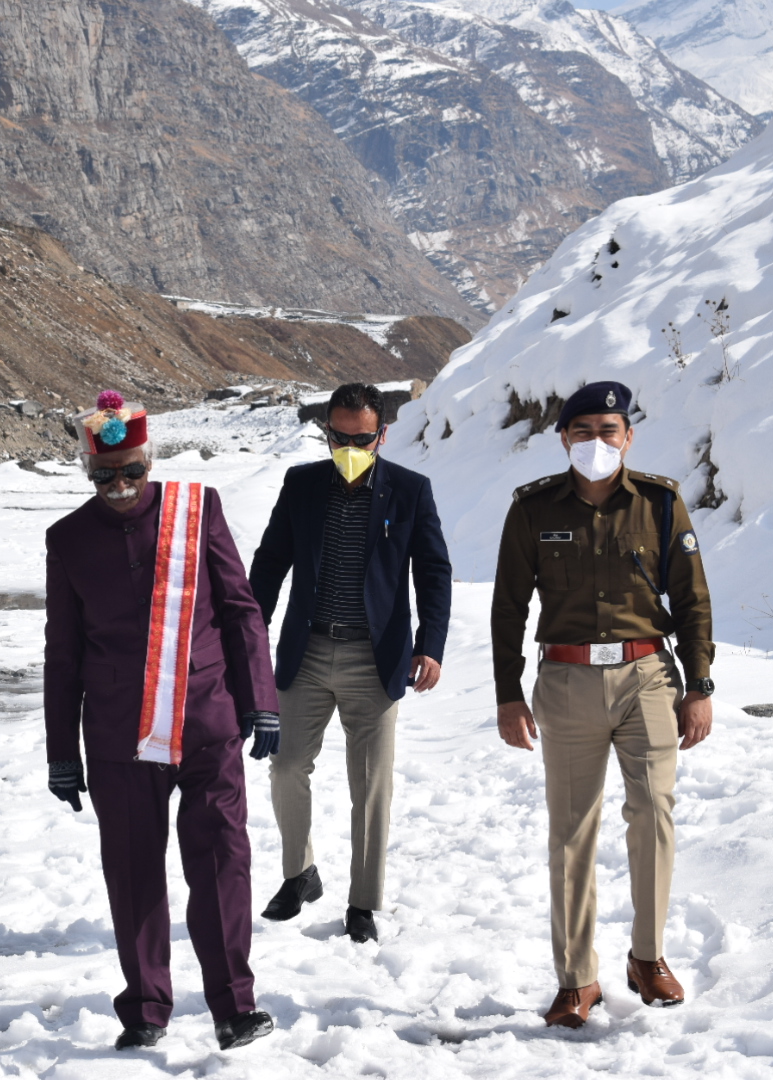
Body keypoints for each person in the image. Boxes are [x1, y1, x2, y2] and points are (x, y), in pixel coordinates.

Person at [43, 390, 279, 1052]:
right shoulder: (67, 540)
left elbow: (240, 610)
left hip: (208, 720)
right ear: (88, 473)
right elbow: (62, 655)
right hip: (121, 735)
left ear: (150, 463)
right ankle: (146, 1007)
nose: (120, 488)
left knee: (223, 863)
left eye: (131, 472)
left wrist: (260, 698)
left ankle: (235, 1006)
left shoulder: (196, 512)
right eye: (105, 477)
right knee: (133, 869)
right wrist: (62, 749)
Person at [492, 380, 714, 1028]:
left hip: (647, 677)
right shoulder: (533, 510)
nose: (596, 442)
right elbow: (509, 607)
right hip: (566, 683)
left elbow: (693, 600)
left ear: (628, 436)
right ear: (563, 438)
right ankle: (576, 980)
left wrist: (698, 686)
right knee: (572, 834)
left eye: (608, 430)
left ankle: (647, 958)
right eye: (582, 431)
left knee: (653, 815)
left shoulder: (661, 503)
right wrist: (508, 695)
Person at [249, 383, 451, 941]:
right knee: (287, 766)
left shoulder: (410, 491)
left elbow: (433, 572)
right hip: (307, 652)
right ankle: (299, 873)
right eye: (340, 436)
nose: (351, 445)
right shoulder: (302, 485)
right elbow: (269, 565)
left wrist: (429, 644)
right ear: (327, 432)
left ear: (382, 434)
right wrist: (245, 637)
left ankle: (363, 903)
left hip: (375, 657)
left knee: (371, 784)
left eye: (362, 437)